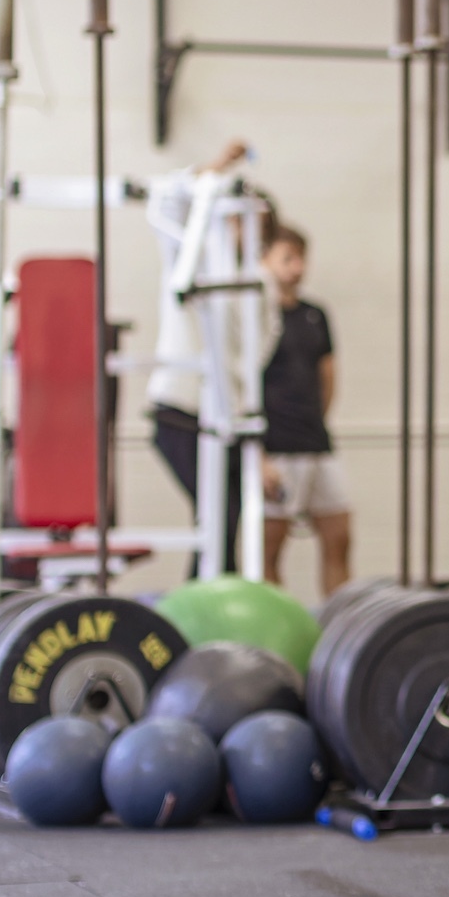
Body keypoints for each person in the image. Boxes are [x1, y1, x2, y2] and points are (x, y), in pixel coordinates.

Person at [149, 138, 256, 574]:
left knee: (226, 521)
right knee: (219, 515)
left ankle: (214, 602)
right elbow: (167, 203)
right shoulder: (188, 259)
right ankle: (202, 603)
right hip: (181, 410)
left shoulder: (249, 285)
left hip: (226, 418)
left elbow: (247, 366)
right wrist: (215, 168)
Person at [259, 223, 352, 597]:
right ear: (265, 261)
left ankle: (339, 624)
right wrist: (259, 456)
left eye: (301, 259)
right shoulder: (256, 319)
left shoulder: (315, 314)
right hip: (275, 447)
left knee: (339, 536)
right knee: (269, 549)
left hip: (316, 442)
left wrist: (317, 420)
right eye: (287, 259)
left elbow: (327, 377)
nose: (296, 268)